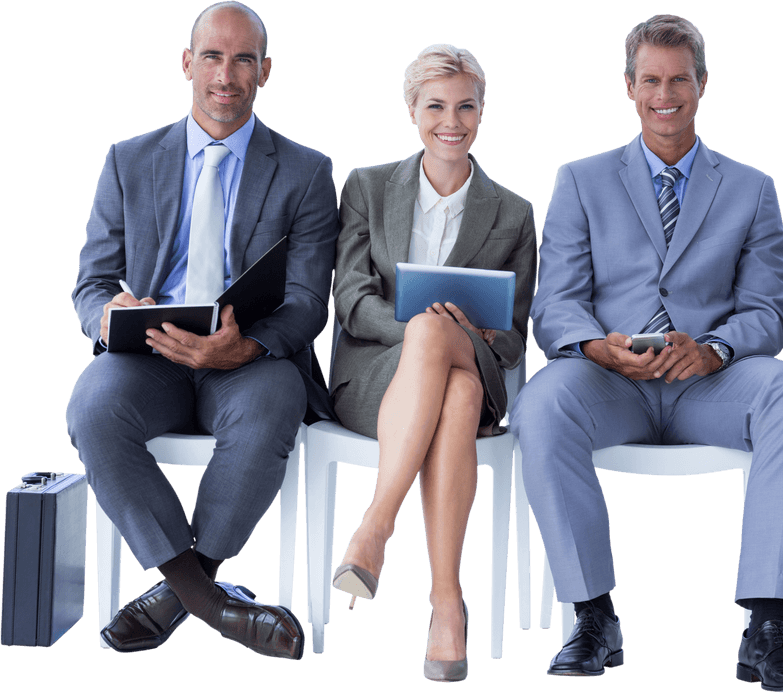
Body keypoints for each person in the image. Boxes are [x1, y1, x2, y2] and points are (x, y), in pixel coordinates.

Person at [510, 15, 783, 691]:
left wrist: (713, 350)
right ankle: (593, 615)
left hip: (710, 385)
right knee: (539, 404)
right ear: (628, 86)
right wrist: (598, 347)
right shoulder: (580, 179)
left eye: (679, 79)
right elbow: (556, 301)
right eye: (650, 80)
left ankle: (768, 628)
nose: (665, 94)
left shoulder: (752, 188)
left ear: (702, 84)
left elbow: (767, 310)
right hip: (610, 381)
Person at [66, 1, 338, 661]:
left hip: (248, 359)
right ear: (188, 63)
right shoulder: (128, 160)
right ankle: (214, 603)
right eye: (212, 56)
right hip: (148, 355)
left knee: (276, 401)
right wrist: (109, 314)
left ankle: (179, 591)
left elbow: (309, 301)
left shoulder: (306, 171)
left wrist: (247, 345)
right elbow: (91, 283)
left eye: (244, 59)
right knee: (91, 408)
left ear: (264, 71)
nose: (226, 75)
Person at [328, 44, 537, 682]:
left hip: (475, 359)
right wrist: (422, 334)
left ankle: (376, 525)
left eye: (466, 106)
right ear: (412, 111)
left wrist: (467, 334)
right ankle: (447, 604)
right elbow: (350, 298)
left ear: (482, 111)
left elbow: (515, 336)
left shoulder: (514, 213)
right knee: (457, 390)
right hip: (375, 376)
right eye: (436, 106)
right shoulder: (366, 188)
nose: (452, 121)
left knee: (459, 369)